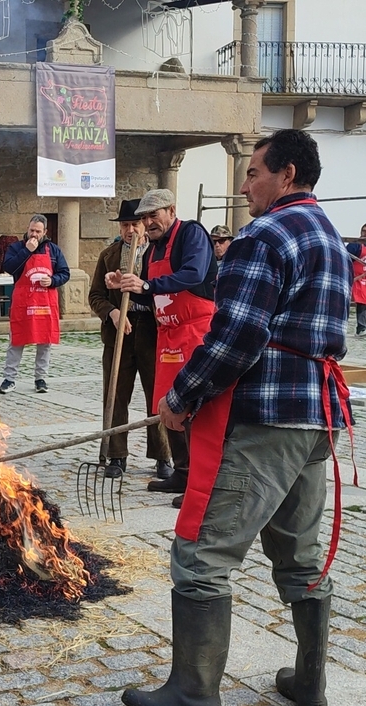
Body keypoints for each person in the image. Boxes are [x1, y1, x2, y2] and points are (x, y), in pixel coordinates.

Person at [121, 129, 351, 706]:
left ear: (289, 174)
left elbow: (236, 336)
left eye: (253, 173)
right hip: (314, 418)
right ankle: (310, 684)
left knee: (201, 556)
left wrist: (181, 396)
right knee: (301, 557)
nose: (244, 185)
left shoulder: (265, 234)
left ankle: (195, 694)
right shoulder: (326, 231)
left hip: (267, 419)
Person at [113, 189, 216, 504]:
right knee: (169, 408)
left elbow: (192, 274)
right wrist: (127, 284)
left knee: (196, 410)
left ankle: (201, 485)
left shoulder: (191, 234)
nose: (147, 222)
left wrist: (145, 284)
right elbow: (153, 292)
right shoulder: (155, 249)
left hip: (195, 332)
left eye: (152, 215)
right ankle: (182, 473)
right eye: (144, 217)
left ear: (171, 209)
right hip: (168, 335)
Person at [89, 199, 172, 480]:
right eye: (125, 225)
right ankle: (116, 455)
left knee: (156, 393)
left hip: (151, 330)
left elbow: (166, 291)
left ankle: (162, 455)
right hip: (118, 333)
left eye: (134, 224)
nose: (130, 230)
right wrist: (112, 312)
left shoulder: (158, 256)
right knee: (116, 392)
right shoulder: (108, 255)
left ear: (143, 225)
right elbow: (95, 295)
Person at [0, 215, 69, 394]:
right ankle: (9, 379)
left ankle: (41, 379)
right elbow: (9, 267)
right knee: (17, 340)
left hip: (44, 303)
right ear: (27, 229)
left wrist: (53, 280)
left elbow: (65, 273)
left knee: (45, 341)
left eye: (38, 231)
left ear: (45, 232)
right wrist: (27, 251)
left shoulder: (53, 250)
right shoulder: (16, 248)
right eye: (32, 230)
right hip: (23, 303)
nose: (34, 234)